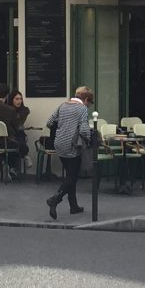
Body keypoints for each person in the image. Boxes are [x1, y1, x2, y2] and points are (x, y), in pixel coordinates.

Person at [45, 86, 93, 220]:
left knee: (70, 174)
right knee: (72, 176)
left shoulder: (63, 105)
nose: (88, 105)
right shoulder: (82, 109)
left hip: (59, 143)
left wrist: (63, 127)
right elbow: (84, 131)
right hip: (72, 146)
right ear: (86, 99)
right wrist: (89, 140)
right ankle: (55, 199)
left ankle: (74, 206)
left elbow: (49, 122)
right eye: (89, 102)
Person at [7, 90, 31, 161]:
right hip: (9, 133)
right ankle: (25, 155)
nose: (19, 101)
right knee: (16, 141)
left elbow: (19, 124)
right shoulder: (7, 110)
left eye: (20, 99)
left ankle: (12, 168)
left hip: (18, 132)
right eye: (17, 99)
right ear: (12, 100)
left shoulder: (24, 110)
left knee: (20, 134)